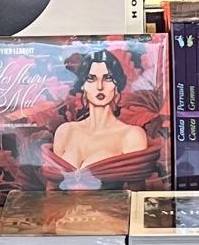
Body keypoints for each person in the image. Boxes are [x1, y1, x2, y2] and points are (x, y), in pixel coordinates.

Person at [47, 50, 150, 179]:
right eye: (91, 79)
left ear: (116, 85)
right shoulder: (65, 131)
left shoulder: (132, 135)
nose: (100, 86)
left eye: (107, 78)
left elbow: (135, 186)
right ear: (83, 85)